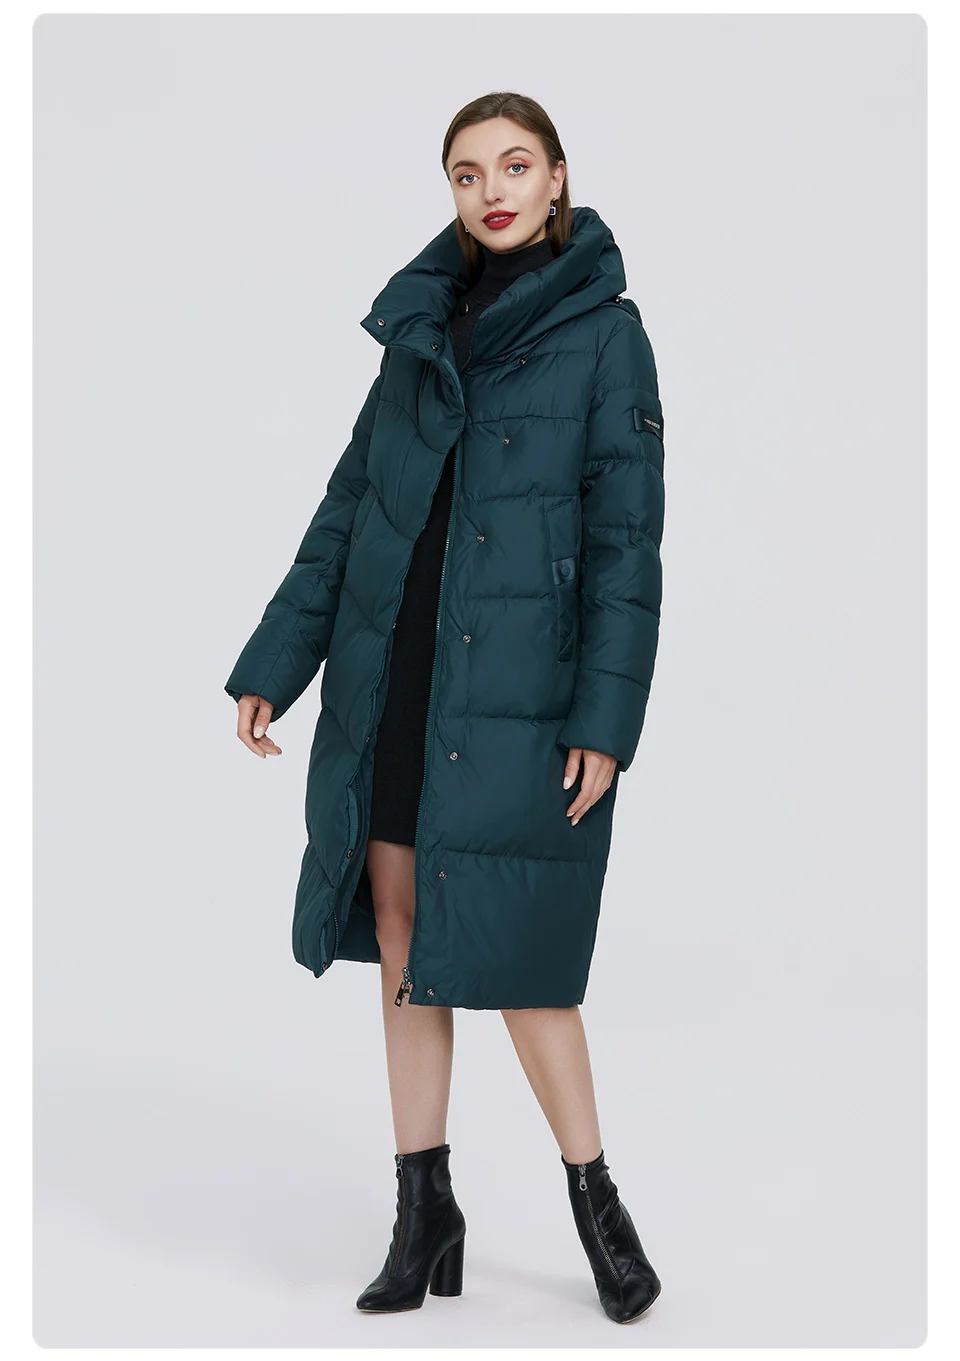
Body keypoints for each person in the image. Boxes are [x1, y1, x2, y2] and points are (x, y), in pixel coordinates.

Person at [224, 92, 666, 1324]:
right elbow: (348, 507)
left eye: (515, 165)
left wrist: (604, 720)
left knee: (524, 958)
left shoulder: (607, 336)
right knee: (406, 937)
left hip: (519, 693)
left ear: (559, 175)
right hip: (399, 668)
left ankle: (596, 1198)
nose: (492, 190)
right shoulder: (419, 329)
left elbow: (628, 547)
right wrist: (275, 660)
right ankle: (424, 1208)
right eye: (468, 174)